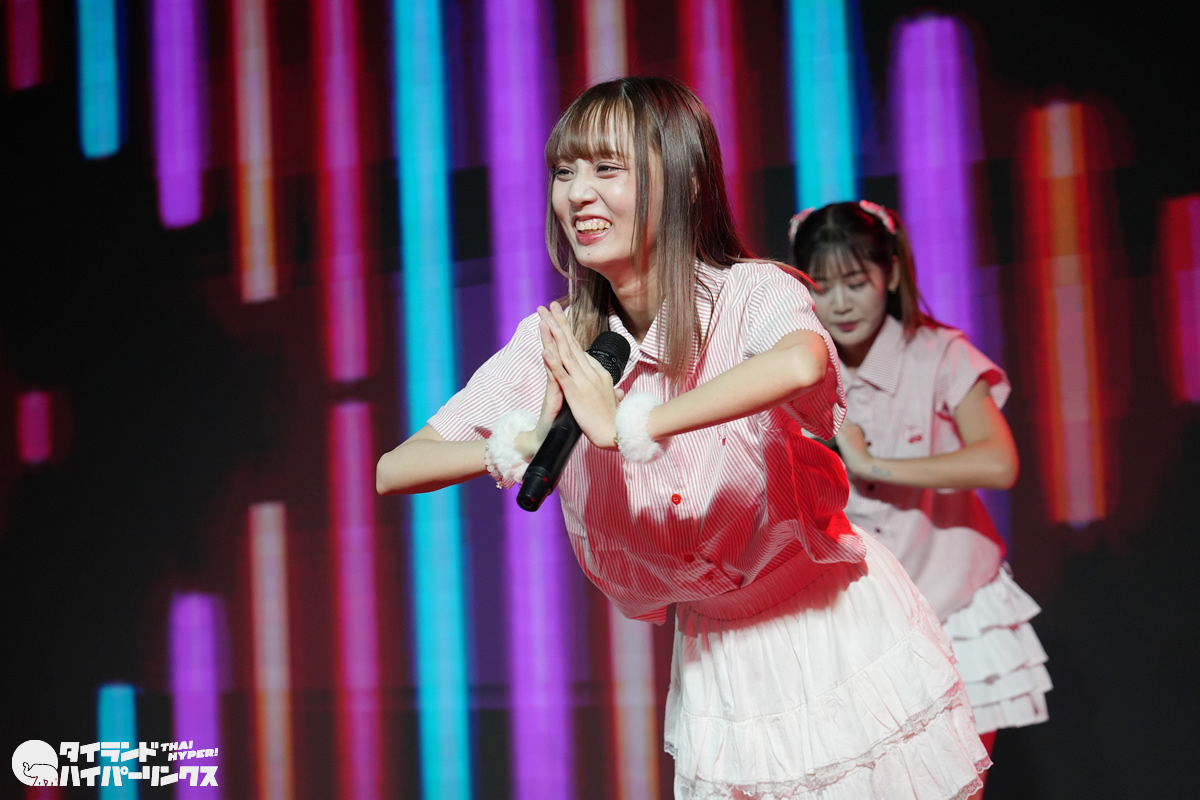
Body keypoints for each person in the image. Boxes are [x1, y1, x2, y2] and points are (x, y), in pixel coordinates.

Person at [378, 77, 988, 799]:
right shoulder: (559, 340)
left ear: (685, 180)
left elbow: (799, 363)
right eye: (565, 172)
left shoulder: (752, 292)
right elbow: (396, 467)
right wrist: (522, 440)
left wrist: (629, 424)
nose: (578, 194)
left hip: (833, 620)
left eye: (607, 168)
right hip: (717, 657)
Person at [789, 201, 1052, 797]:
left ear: (891, 275)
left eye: (856, 282)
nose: (840, 303)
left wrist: (872, 465)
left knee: (953, 785)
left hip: (953, 603)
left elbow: (999, 461)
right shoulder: (801, 369)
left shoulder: (940, 354)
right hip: (854, 619)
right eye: (822, 287)